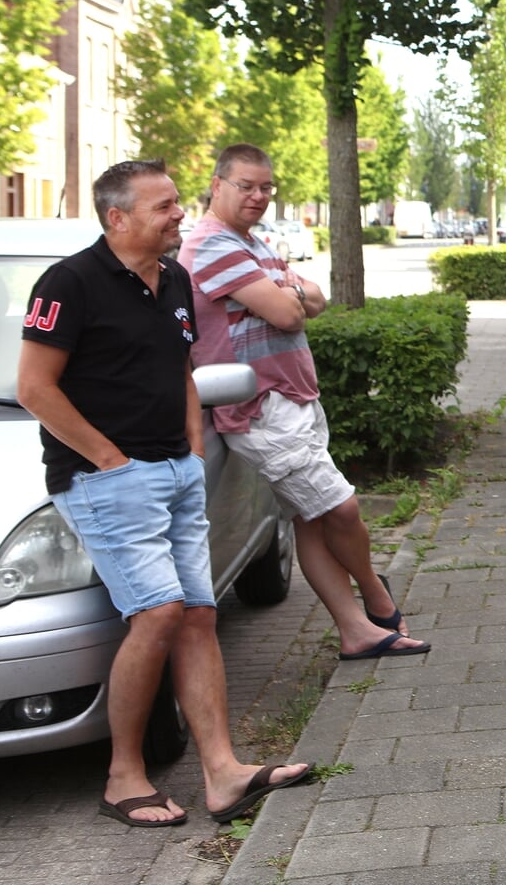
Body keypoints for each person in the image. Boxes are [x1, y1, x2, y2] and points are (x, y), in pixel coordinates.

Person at [17, 159, 314, 827]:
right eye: (164, 206)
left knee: (200, 615)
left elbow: (183, 368)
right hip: (105, 481)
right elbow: (35, 388)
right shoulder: (69, 282)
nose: (181, 213)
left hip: (176, 471)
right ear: (117, 217)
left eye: (179, 202)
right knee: (156, 615)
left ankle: (223, 773)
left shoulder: (174, 276)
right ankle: (124, 777)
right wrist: (112, 461)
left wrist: (193, 449)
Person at [179, 144, 428, 663]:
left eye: (266, 187)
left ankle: (355, 631)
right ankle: (376, 596)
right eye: (246, 186)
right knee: (342, 506)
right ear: (217, 183)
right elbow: (291, 312)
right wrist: (288, 292)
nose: (258, 196)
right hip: (260, 408)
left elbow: (315, 298)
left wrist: (290, 292)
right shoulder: (212, 245)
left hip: (291, 399)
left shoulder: (254, 243)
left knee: (311, 520)